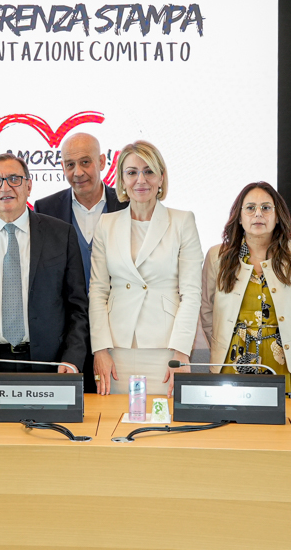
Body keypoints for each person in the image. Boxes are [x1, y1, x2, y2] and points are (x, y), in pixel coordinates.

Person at [0, 152, 88, 393]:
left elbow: (78, 306)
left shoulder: (62, 235)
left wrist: (72, 359)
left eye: (14, 179)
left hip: (50, 365)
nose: (5, 187)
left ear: (29, 186)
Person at [88, 140, 203, 396]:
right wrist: (100, 348)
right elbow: (97, 291)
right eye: (132, 172)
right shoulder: (106, 224)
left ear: (161, 177)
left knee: (165, 428)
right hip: (116, 351)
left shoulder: (182, 221)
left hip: (167, 349)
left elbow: (191, 293)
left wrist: (181, 352)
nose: (141, 179)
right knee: (114, 428)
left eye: (149, 171)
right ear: (122, 179)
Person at [200, 182, 291, 397]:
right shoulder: (217, 256)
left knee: (289, 426)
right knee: (234, 426)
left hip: (286, 360)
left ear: (277, 216)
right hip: (233, 359)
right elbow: (207, 310)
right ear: (239, 216)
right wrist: (222, 343)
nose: (258, 214)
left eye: (266, 208)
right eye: (250, 208)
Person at [34, 132, 128, 393]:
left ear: (101, 161)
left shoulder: (127, 205)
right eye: (69, 164)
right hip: (64, 337)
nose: (78, 172)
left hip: (116, 334)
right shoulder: (45, 208)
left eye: (85, 162)